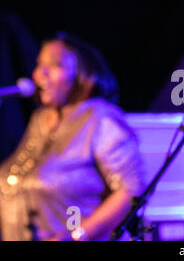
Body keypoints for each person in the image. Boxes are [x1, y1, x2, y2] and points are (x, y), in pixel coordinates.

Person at [0, 32, 145, 241]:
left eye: (55, 65)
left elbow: (131, 189)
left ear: (81, 74)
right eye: (39, 64)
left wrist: (77, 234)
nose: (42, 73)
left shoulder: (99, 118)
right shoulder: (40, 120)